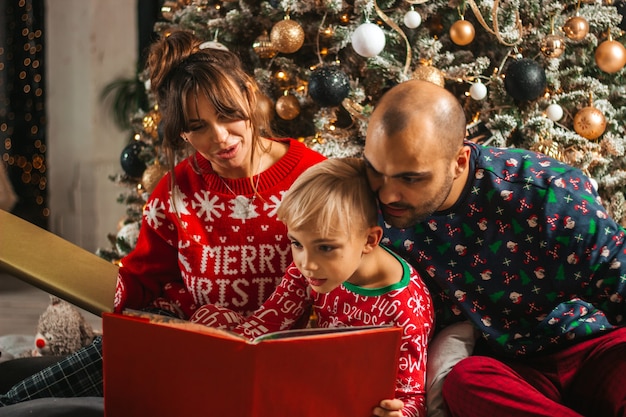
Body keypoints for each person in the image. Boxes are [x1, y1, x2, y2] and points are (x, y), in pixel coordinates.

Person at [0, 30, 325, 407]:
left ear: (250, 94)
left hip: (284, 360)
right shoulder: (173, 192)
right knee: (23, 399)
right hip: (188, 348)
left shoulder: (314, 178)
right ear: (182, 132)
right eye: (197, 126)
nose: (219, 137)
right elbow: (142, 283)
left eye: (227, 114)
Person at [362, 79, 626, 417]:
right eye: (375, 169)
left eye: (410, 178)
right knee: (462, 382)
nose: (387, 195)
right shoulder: (366, 208)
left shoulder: (549, 195)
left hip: (592, 348)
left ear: (459, 161)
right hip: (511, 373)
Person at [219, 157, 434, 417]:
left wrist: (399, 414)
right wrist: (227, 353)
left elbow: (411, 397)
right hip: (316, 377)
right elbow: (269, 320)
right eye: (296, 243)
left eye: (325, 248)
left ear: (369, 240)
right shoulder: (313, 269)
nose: (306, 263)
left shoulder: (405, 309)